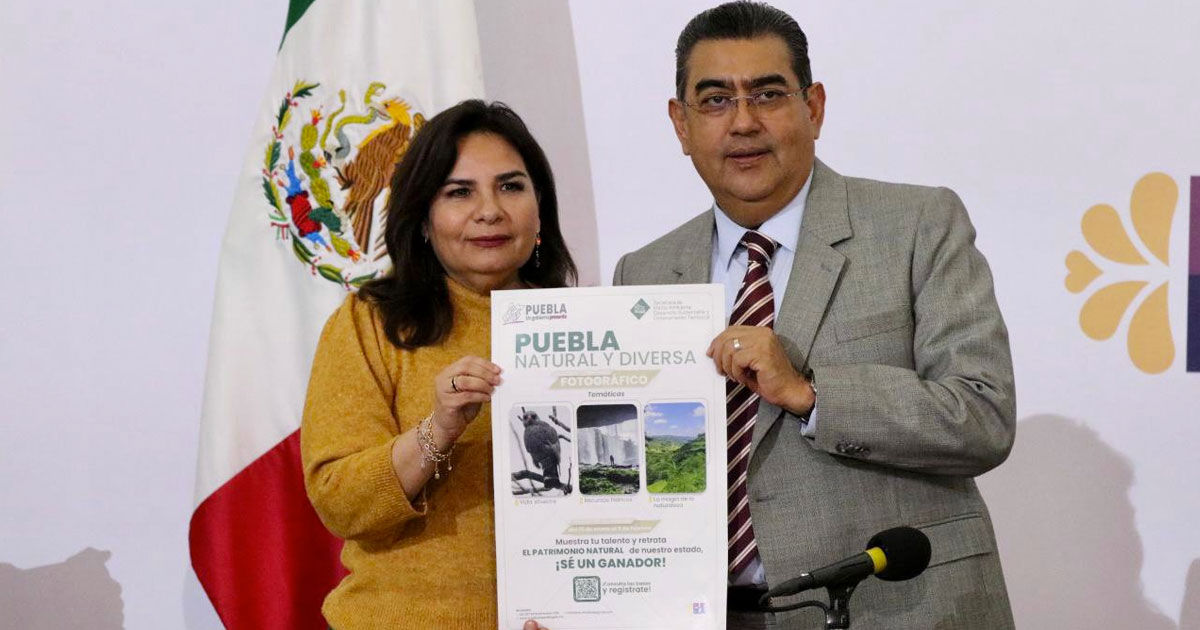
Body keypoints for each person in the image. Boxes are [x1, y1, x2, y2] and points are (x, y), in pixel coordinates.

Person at [612, 3, 1017, 628]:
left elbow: (983, 415)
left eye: (767, 94)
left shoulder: (918, 226)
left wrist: (810, 394)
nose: (743, 123)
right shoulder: (641, 273)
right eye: (715, 100)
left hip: (896, 608)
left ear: (814, 107)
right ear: (680, 124)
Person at [301, 100, 572, 630]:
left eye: (511, 186)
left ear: (540, 209)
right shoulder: (370, 324)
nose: (490, 210)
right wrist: (439, 428)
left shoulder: (584, 325)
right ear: (423, 217)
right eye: (459, 192)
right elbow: (341, 504)